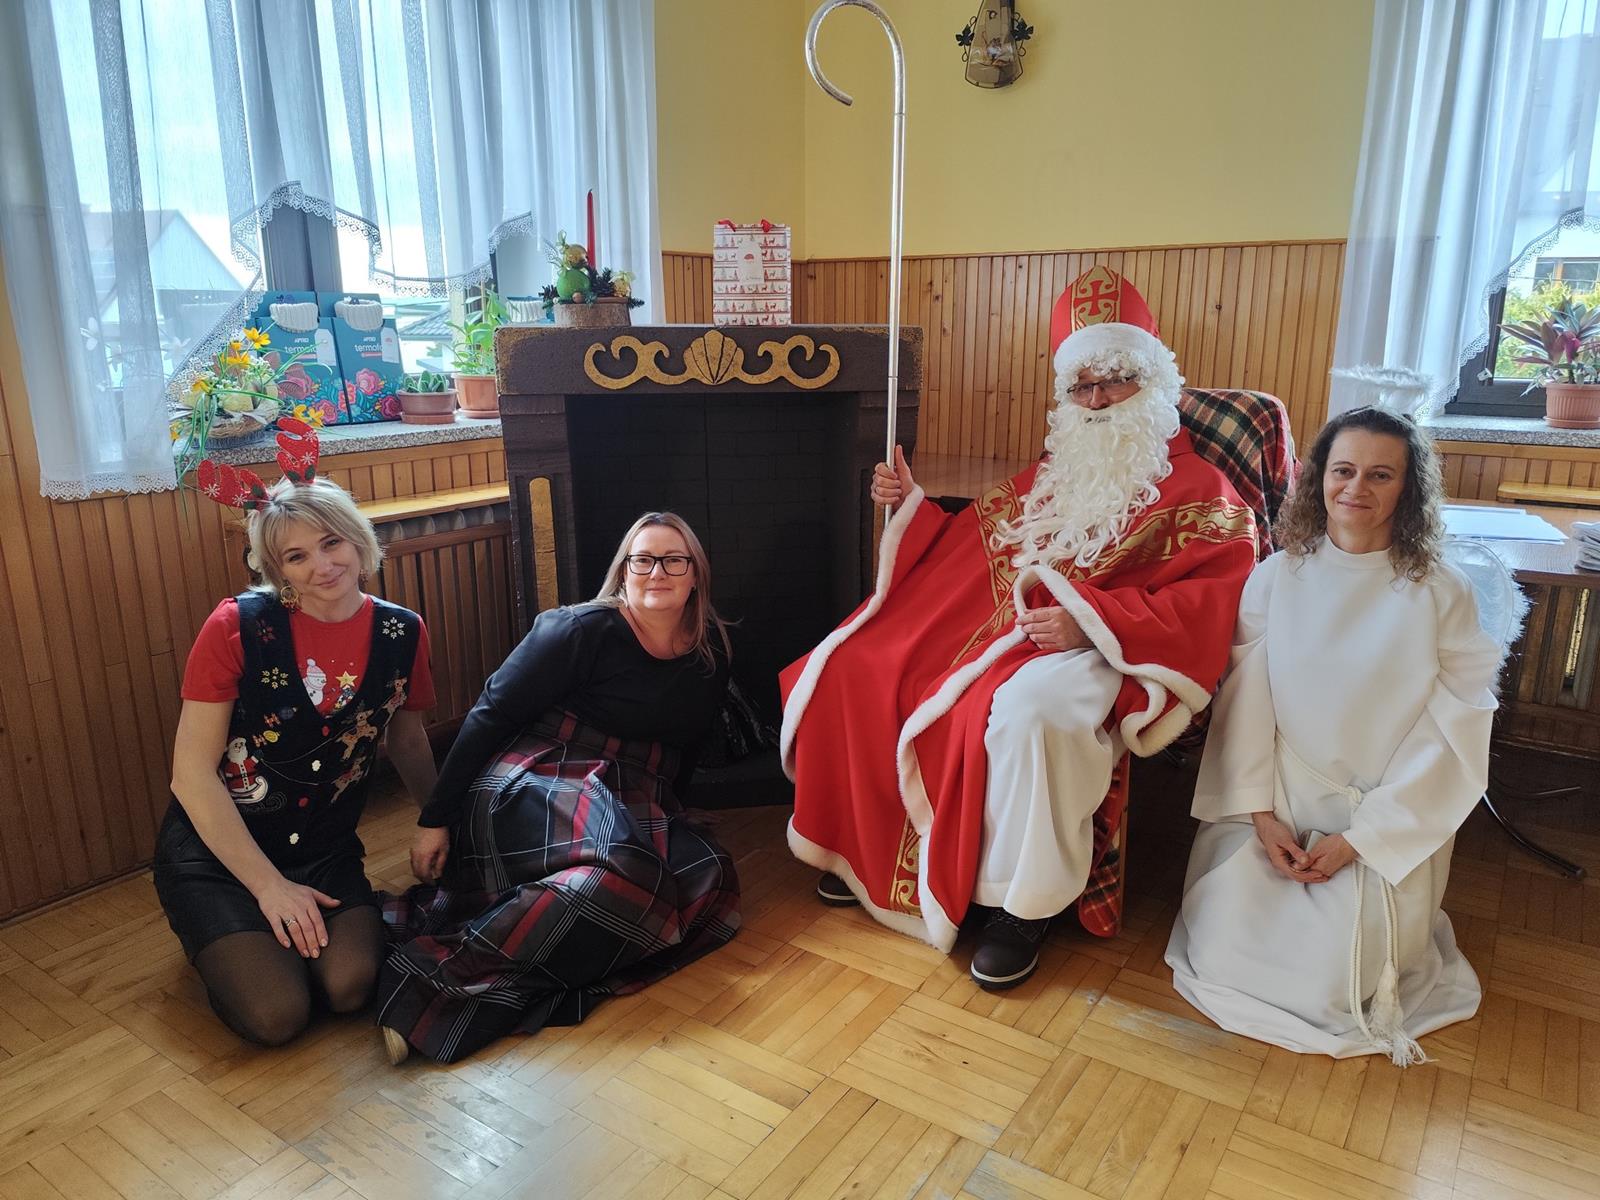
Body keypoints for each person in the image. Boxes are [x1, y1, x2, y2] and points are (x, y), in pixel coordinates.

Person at [779, 267, 1260, 989]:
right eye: (1081, 387)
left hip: (1109, 644)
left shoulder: (1207, 495)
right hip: (1010, 629)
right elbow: (973, 541)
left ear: (1154, 382)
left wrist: (1092, 624)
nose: (1096, 401)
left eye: (1114, 382)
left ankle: (1021, 905)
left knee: (1031, 714)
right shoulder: (1056, 470)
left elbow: (1212, 602)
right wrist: (912, 506)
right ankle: (865, 848)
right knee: (857, 662)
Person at [1165, 407, 1499, 1064]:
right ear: (1319, 477)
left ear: (1409, 489)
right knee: (1227, 952)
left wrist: (1362, 839)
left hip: (1382, 822)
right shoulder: (1276, 576)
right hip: (1279, 806)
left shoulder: (1444, 593)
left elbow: (1451, 733)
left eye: (1381, 475)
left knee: (1327, 985)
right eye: (1343, 470)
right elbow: (1247, 705)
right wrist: (1261, 816)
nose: (1356, 488)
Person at [376, 512, 741, 1064]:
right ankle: (437, 977)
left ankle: (519, 978)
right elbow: (489, 715)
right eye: (643, 559)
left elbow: (686, 746)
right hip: (539, 773)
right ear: (623, 571)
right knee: (627, 874)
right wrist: (435, 819)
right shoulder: (577, 630)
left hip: (628, 785)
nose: (657, 572)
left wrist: (675, 813)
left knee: (710, 877)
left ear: (696, 575)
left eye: (673, 560)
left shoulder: (710, 651)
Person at [157, 427, 438, 1047]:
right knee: (277, 1015)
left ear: (357, 540)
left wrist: (439, 821)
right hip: (220, 854)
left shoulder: (402, 632)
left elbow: (409, 741)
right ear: (275, 569)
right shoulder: (235, 626)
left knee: (349, 988)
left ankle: (280, 935)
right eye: (296, 556)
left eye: (331, 542)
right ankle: (215, 926)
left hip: (323, 848)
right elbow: (191, 775)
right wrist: (268, 887)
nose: (322, 566)